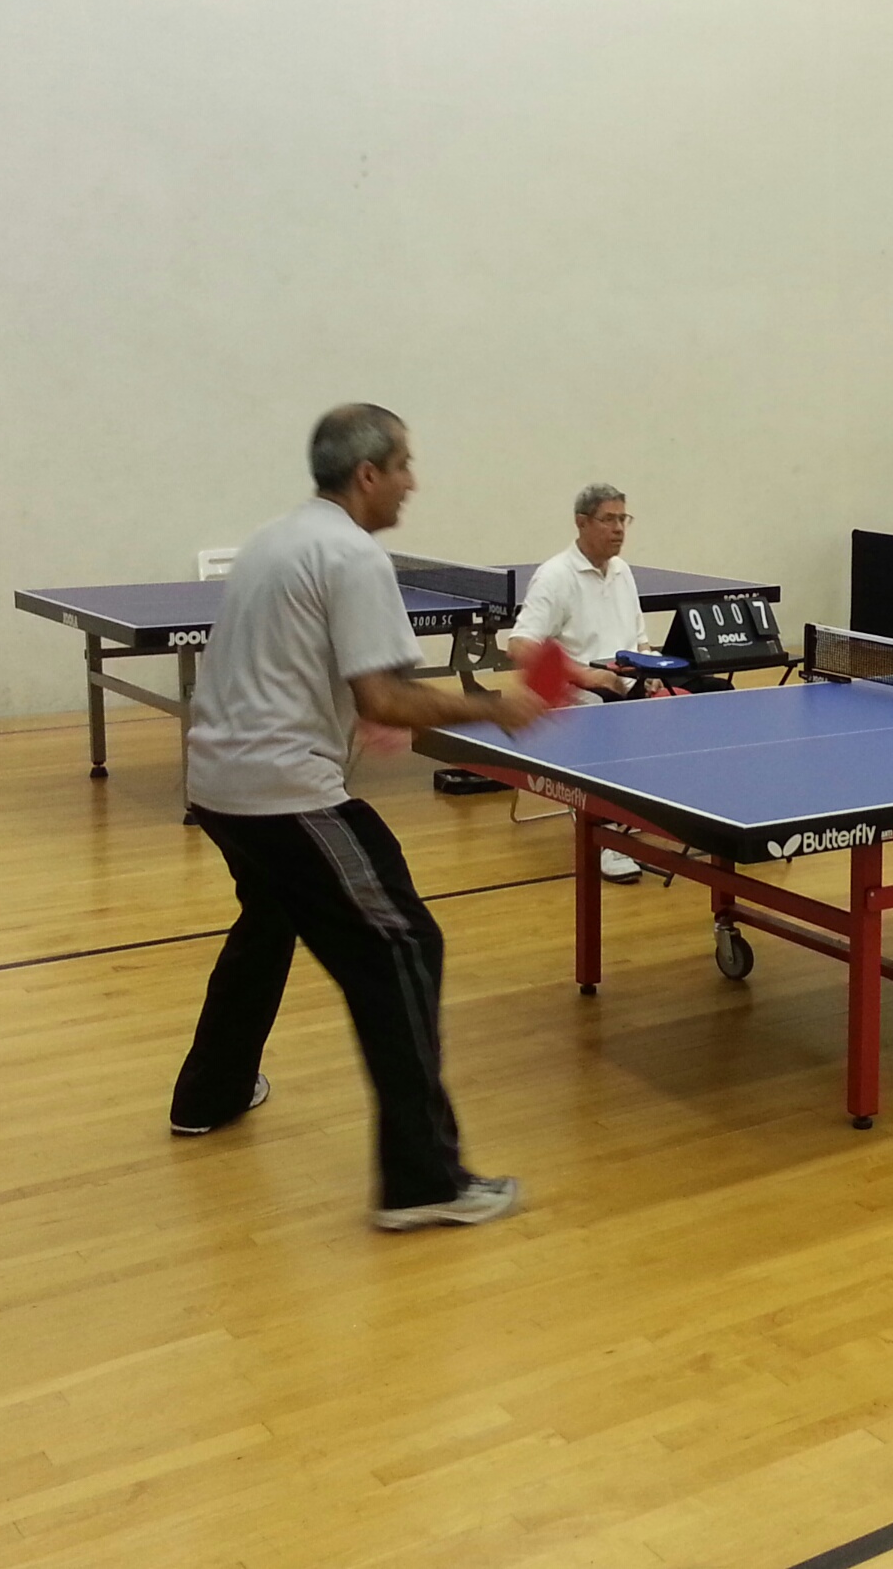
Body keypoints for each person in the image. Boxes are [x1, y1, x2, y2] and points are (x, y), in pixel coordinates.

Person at [171, 403, 548, 1230]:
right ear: (368, 473)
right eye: (405, 464)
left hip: (217, 782)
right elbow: (384, 695)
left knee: (268, 920)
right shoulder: (351, 555)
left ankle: (211, 1091)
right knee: (406, 946)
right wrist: (497, 707)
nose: (414, 481)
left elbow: (339, 684)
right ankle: (424, 1182)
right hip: (283, 791)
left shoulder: (275, 537)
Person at [505, 482, 659, 884]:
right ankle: (605, 838)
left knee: (709, 694)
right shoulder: (555, 576)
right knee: (603, 712)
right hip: (577, 692)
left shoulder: (623, 572)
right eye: (609, 519)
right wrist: (585, 675)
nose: (619, 529)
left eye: (623, 519)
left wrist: (653, 669)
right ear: (581, 522)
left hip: (625, 681)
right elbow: (520, 646)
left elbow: (640, 639)